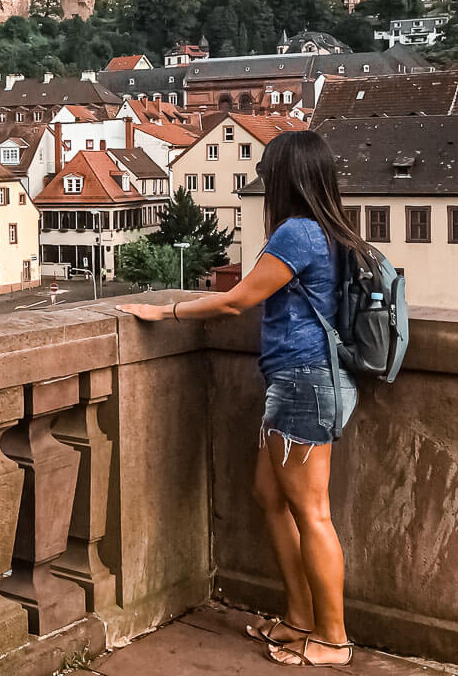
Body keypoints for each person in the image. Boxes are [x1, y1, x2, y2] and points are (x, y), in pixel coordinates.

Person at [118, 131, 363, 668]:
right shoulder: (331, 229)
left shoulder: (298, 232)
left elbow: (237, 301)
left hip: (303, 381)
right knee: (268, 496)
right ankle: (300, 618)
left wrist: (165, 311)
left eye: (268, 174)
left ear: (286, 178)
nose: (264, 182)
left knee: (312, 512)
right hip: (302, 380)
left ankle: (334, 639)